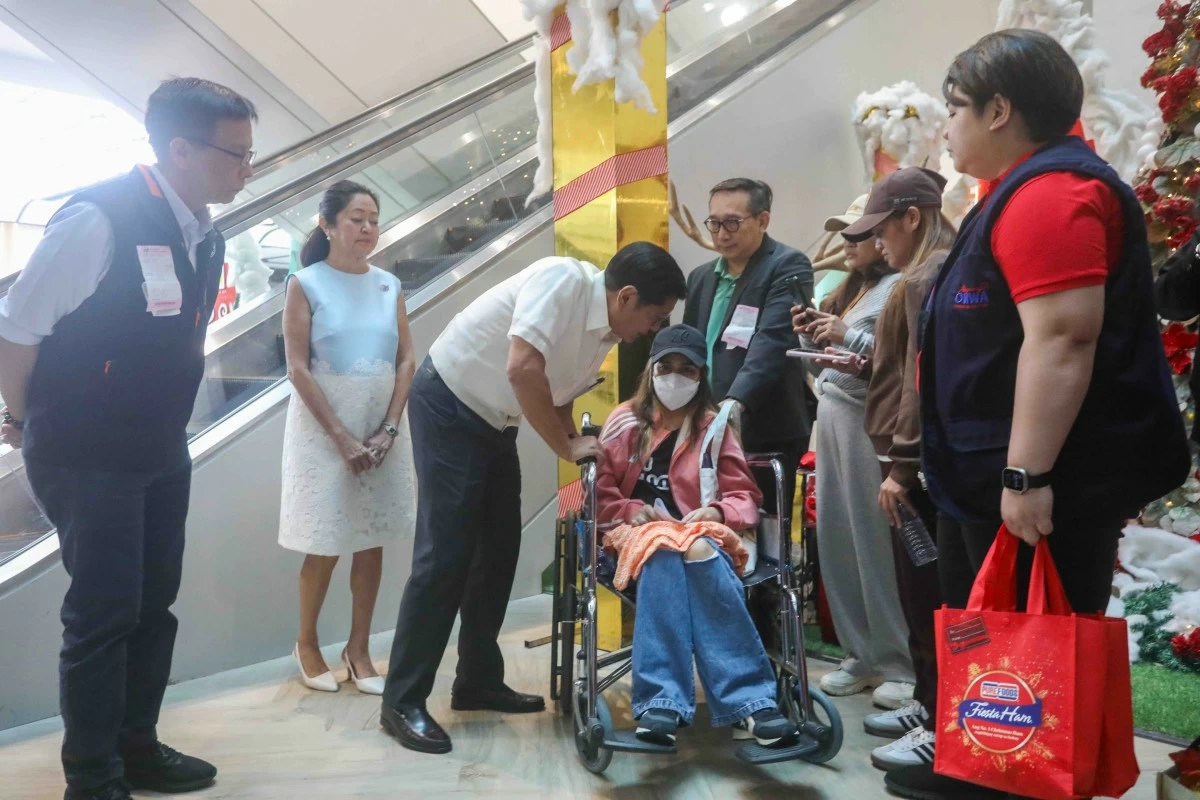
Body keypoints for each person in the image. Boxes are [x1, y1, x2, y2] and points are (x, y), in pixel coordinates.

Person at [885, 30, 1190, 800]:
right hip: (986, 480)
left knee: (1033, 649)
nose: (944, 127)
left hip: (1030, 484)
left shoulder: (1053, 195)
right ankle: (981, 759)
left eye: (954, 108)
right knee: (994, 636)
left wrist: (1026, 475)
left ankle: (1016, 777)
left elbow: (1063, 339)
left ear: (998, 110)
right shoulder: (1015, 194)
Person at [0, 78, 256, 800]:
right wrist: (29, 418)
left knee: (152, 604)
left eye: (249, 155)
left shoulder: (206, 233)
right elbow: (14, 331)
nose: (246, 169)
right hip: (85, 451)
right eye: (235, 155)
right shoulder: (96, 219)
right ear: (179, 149)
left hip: (156, 446)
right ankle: (92, 775)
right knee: (103, 611)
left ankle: (136, 745)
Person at [380, 241, 687, 754]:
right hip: (449, 404)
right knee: (444, 557)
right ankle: (401, 701)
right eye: (656, 317)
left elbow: (559, 392)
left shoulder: (606, 330)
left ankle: (476, 680)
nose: (654, 329)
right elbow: (522, 368)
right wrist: (566, 446)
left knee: (499, 552)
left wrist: (579, 443)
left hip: (496, 422)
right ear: (627, 296)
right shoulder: (562, 281)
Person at [594, 324, 799, 748]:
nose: (674, 377)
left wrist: (718, 509)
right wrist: (632, 510)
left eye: (686, 369)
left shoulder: (714, 428)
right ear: (650, 370)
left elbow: (745, 495)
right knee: (664, 547)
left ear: (701, 376)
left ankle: (673, 705)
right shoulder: (623, 422)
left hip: (701, 533)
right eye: (665, 367)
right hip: (633, 533)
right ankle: (748, 702)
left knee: (692, 545)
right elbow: (599, 494)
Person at [830, 168, 956, 772]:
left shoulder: (922, 278)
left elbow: (915, 383)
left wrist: (900, 467)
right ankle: (929, 704)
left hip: (914, 465)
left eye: (883, 229)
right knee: (923, 586)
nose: (876, 243)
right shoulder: (928, 274)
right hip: (917, 459)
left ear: (911, 218)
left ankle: (936, 713)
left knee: (926, 587)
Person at [279, 180, 418, 695]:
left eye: (373, 220)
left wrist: (388, 427)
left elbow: (406, 358)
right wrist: (340, 437)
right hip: (323, 428)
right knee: (325, 540)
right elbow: (297, 368)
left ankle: (359, 648)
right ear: (328, 224)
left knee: (371, 539)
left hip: (382, 426)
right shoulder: (306, 283)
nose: (366, 228)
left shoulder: (389, 284)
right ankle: (306, 642)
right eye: (356, 218)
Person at [793, 193, 915, 712]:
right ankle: (861, 652)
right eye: (843, 232)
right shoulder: (852, 291)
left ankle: (900, 662)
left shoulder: (900, 288)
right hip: (834, 417)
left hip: (873, 428)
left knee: (874, 541)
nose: (846, 242)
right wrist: (820, 338)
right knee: (840, 540)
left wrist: (847, 339)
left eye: (858, 233)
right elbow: (839, 364)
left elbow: (901, 363)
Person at [682, 178, 814, 513]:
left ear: (762, 220)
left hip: (763, 426)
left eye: (732, 223)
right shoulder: (700, 277)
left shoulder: (786, 265)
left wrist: (734, 404)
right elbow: (690, 345)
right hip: (705, 427)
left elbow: (772, 339)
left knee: (765, 530)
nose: (721, 234)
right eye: (714, 223)